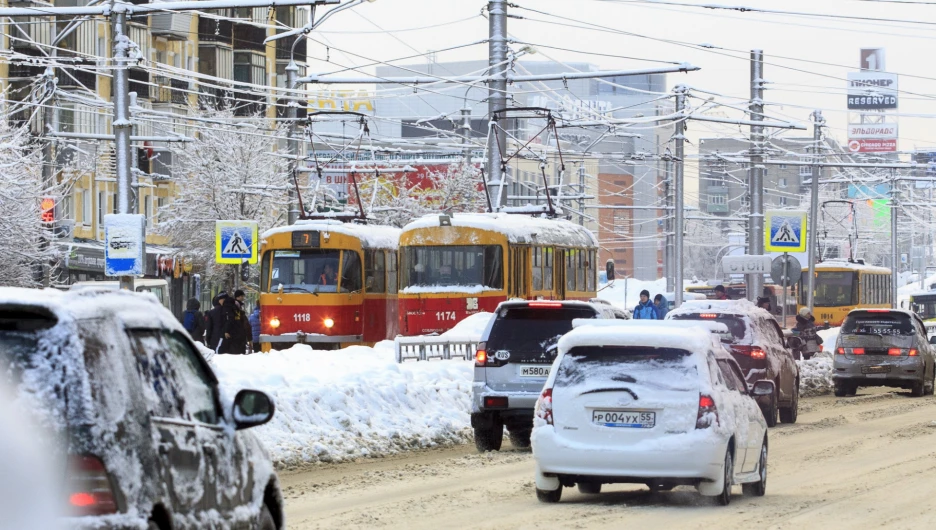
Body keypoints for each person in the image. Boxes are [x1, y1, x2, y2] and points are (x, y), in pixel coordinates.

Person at [222, 290, 249, 355]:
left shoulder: (237, 306)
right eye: (242, 296)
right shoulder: (235, 306)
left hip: (237, 333)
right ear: (238, 297)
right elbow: (231, 319)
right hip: (237, 333)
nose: (243, 298)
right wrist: (227, 330)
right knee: (237, 352)